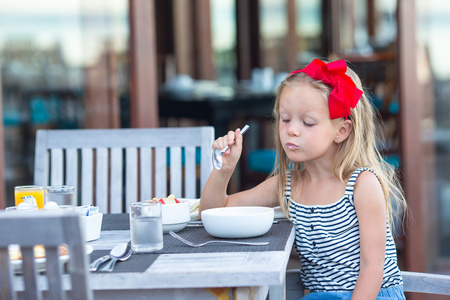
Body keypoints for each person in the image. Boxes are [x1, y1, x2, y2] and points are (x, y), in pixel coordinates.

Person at [199, 58, 407, 299]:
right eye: (285, 119)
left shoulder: (362, 184)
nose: (292, 129)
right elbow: (213, 212)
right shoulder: (287, 185)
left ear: (341, 131)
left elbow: (373, 268)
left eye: (307, 122)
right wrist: (224, 169)